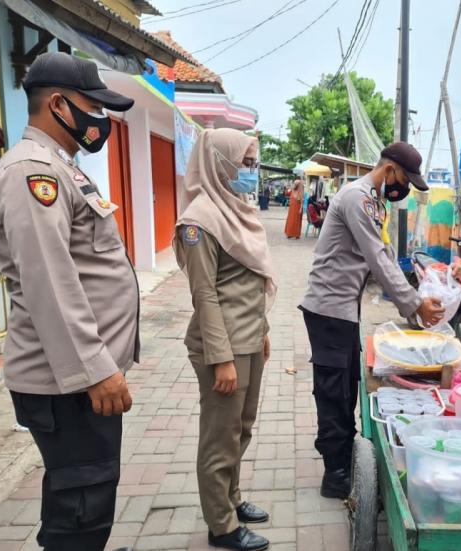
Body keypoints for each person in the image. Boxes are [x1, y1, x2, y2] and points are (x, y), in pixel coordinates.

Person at [0, 52, 138, 550]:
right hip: (68, 383)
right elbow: (49, 282)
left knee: (86, 503)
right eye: (93, 106)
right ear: (57, 103)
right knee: (80, 513)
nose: (101, 119)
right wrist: (96, 369)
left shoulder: (59, 166)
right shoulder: (33, 173)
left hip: (72, 379)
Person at [300, 142, 445, 499]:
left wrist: (415, 296)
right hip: (329, 310)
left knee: (348, 385)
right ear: (390, 170)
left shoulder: (372, 201)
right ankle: (335, 475)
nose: (405, 190)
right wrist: (414, 305)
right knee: (334, 391)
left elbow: (385, 256)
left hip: (344, 309)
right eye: (405, 181)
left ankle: (345, 460)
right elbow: (378, 260)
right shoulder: (357, 198)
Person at [174, 128, 275, 551]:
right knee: (220, 437)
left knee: (241, 429)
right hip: (224, 348)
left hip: (248, 339)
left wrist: (263, 332)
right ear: (221, 164)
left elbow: (248, 282)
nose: (252, 172)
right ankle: (222, 527)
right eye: (246, 164)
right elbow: (205, 295)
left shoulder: (235, 210)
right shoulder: (199, 221)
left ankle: (231, 499)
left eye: (254, 164)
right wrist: (221, 359)